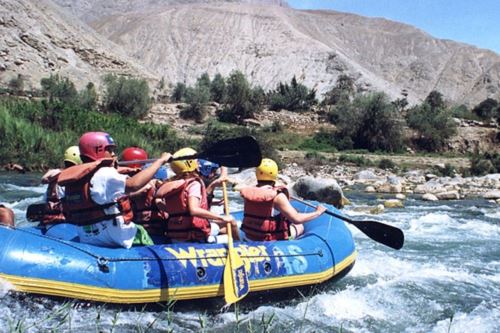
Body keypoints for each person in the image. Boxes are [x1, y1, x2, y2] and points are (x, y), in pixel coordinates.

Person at [57, 131, 171, 248]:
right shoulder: (105, 173)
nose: (113, 154)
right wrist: (160, 161)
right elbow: (134, 185)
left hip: (87, 237)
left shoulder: (77, 177)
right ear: (98, 150)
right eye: (110, 150)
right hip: (115, 236)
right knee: (141, 231)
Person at [154, 148, 236, 243]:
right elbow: (194, 210)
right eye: (196, 161)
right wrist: (221, 217)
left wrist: (176, 212)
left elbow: (159, 202)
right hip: (193, 236)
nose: (198, 163)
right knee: (230, 230)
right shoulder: (194, 184)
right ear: (190, 164)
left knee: (220, 228)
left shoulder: (173, 183)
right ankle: (241, 246)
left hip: (175, 234)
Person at [240, 158, 326, 241]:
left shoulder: (250, 193)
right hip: (268, 241)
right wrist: (318, 212)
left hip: (249, 237)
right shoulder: (278, 197)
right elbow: (296, 219)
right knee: (299, 226)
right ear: (274, 175)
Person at [27, 146, 82, 225]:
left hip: (48, 222)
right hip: (66, 222)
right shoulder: (75, 182)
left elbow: (45, 200)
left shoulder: (54, 177)